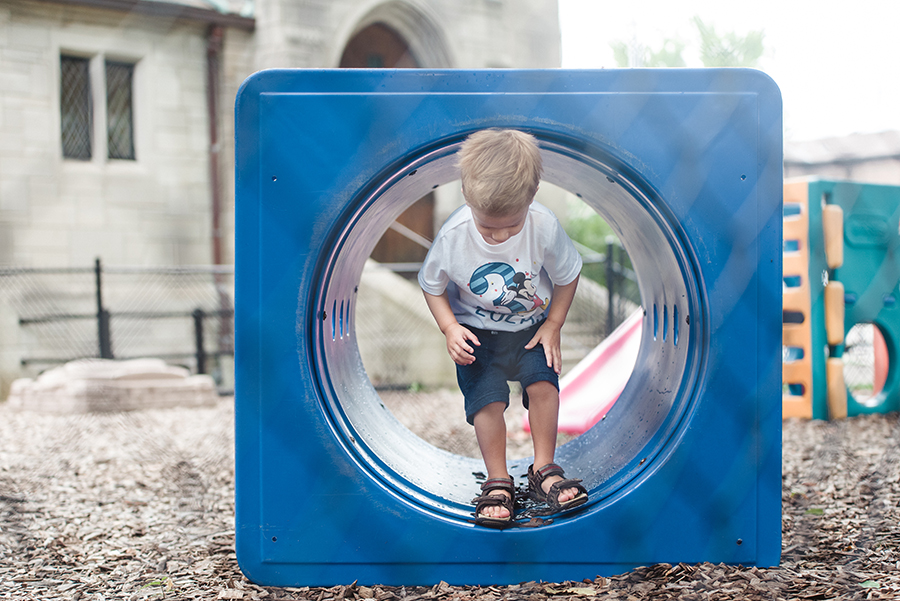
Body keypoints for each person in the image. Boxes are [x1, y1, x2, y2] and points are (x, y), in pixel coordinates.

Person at [418, 128, 588, 528]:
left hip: (531, 329)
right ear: (466, 195)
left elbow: (568, 275)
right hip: (477, 334)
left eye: (511, 226)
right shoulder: (454, 236)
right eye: (488, 226)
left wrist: (554, 324)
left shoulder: (543, 225)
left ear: (532, 196)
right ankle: (498, 480)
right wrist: (449, 328)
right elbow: (431, 285)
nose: (499, 236)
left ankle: (543, 468)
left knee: (544, 386)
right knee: (487, 402)